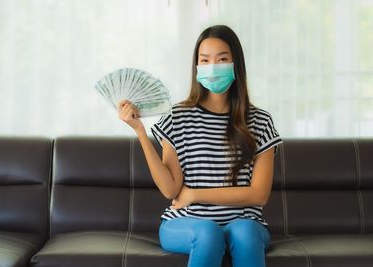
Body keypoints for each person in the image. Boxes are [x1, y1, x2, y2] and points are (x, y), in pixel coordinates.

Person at [118, 25, 283, 267]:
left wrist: (195, 194)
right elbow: (170, 189)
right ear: (196, 67)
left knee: (245, 232)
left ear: (236, 63)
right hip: (186, 223)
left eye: (222, 59)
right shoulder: (178, 117)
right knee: (208, 232)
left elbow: (259, 194)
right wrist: (140, 131)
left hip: (245, 222)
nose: (212, 67)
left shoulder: (260, 121)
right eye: (204, 60)